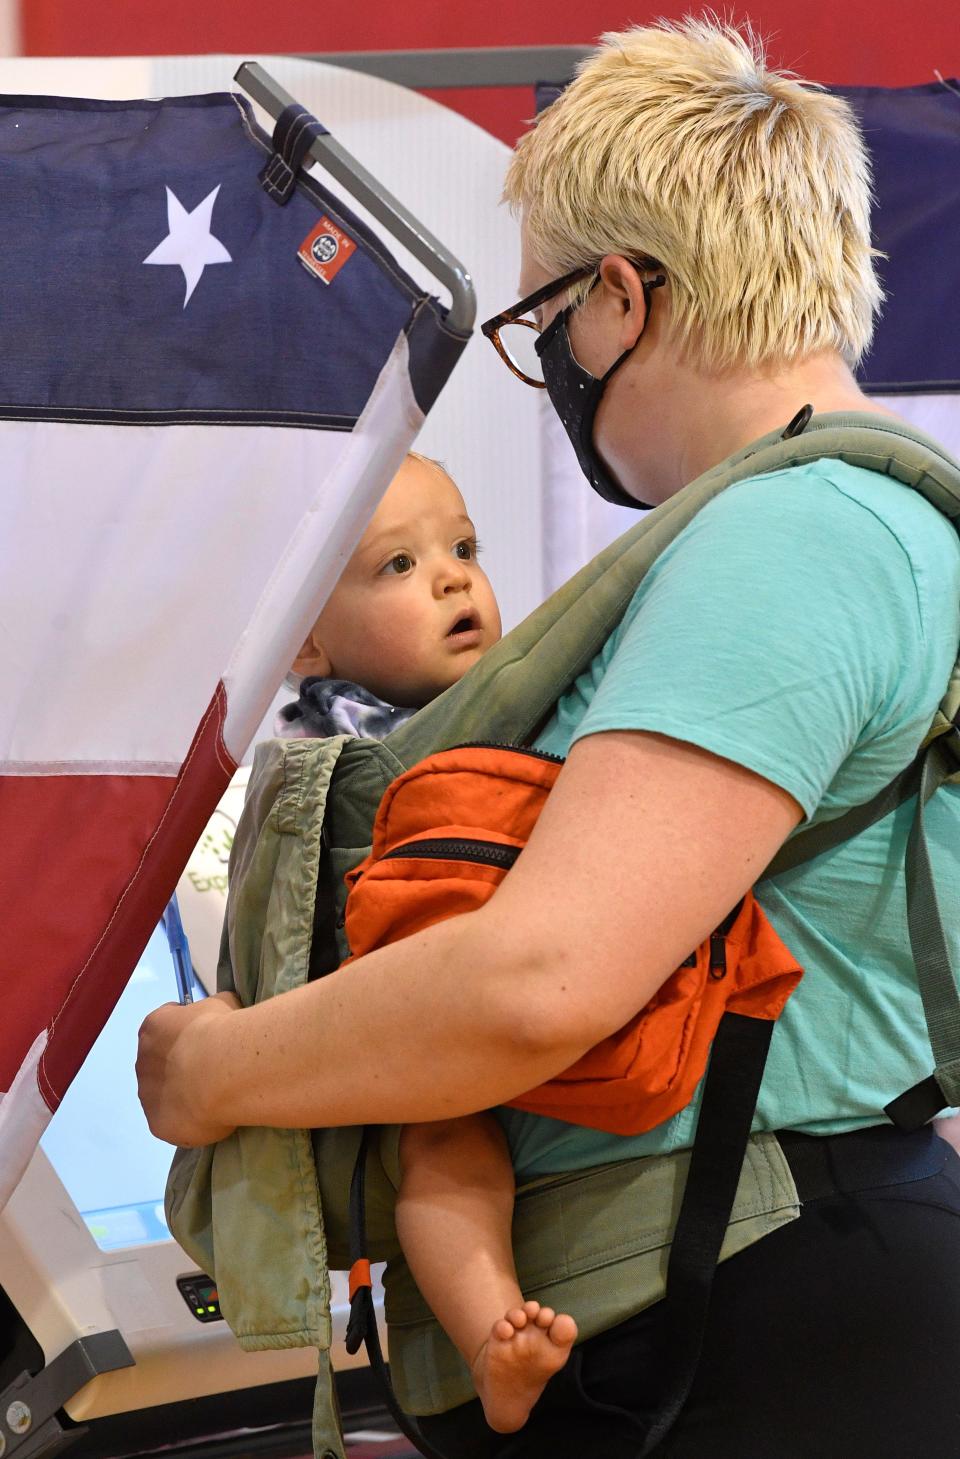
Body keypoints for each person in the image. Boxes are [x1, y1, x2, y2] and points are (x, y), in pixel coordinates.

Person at [139, 19, 960, 1456]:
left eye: (544, 325)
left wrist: (219, 1067)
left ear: (625, 294)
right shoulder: (842, 525)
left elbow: (539, 974)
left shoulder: (795, 534)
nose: (554, 369)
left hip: (747, 1308)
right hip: (728, 1295)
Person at [276, 450, 580, 1433]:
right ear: (306, 644)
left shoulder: (520, 705)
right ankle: (492, 1336)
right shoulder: (341, 755)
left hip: (525, 1005)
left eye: (462, 547)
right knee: (448, 1146)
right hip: (420, 1038)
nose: (454, 576)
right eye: (396, 567)